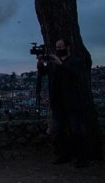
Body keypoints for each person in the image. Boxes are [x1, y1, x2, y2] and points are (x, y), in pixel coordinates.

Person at [37, 39, 88, 168]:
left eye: (61, 47)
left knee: (75, 129)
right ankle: (64, 155)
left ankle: (81, 158)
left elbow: (75, 74)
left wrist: (60, 64)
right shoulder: (53, 63)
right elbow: (44, 73)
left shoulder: (75, 61)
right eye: (57, 47)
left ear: (68, 47)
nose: (59, 50)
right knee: (59, 130)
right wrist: (40, 64)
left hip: (72, 101)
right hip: (57, 102)